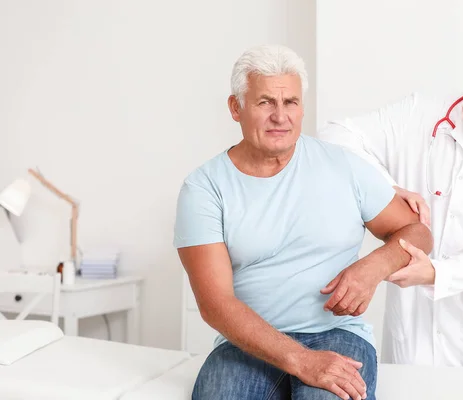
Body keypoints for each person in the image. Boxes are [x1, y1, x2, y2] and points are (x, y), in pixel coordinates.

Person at [174, 44, 433, 400]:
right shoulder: (203, 189)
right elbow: (215, 304)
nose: (280, 116)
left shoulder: (344, 166)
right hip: (247, 343)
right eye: (265, 102)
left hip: (337, 334)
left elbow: (417, 232)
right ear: (236, 108)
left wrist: (374, 267)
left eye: (290, 102)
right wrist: (301, 360)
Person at [316, 51, 463, 368]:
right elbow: (335, 134)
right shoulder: (419, 112)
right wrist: (387, 186)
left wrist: (437, 273)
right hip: (413, 324)